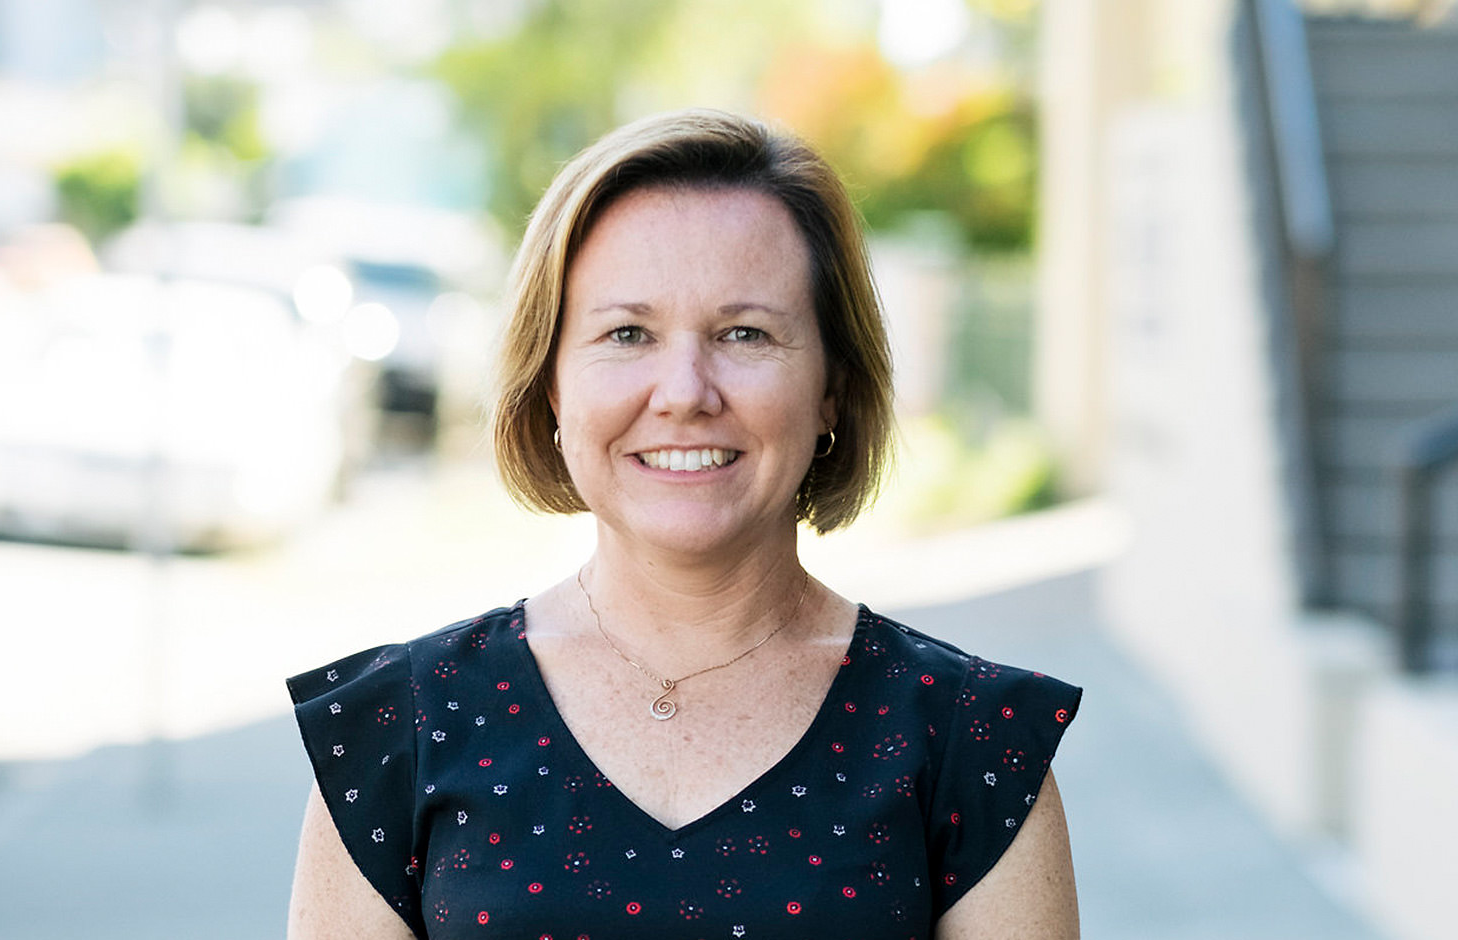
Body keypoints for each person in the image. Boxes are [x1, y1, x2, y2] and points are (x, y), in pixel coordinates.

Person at [286, 109, 1081, 939]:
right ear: (554, 385)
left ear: (831, 390)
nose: (684, 391)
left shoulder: (973, 745)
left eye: (746, 333)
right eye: (626, 333)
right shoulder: (394, 734)